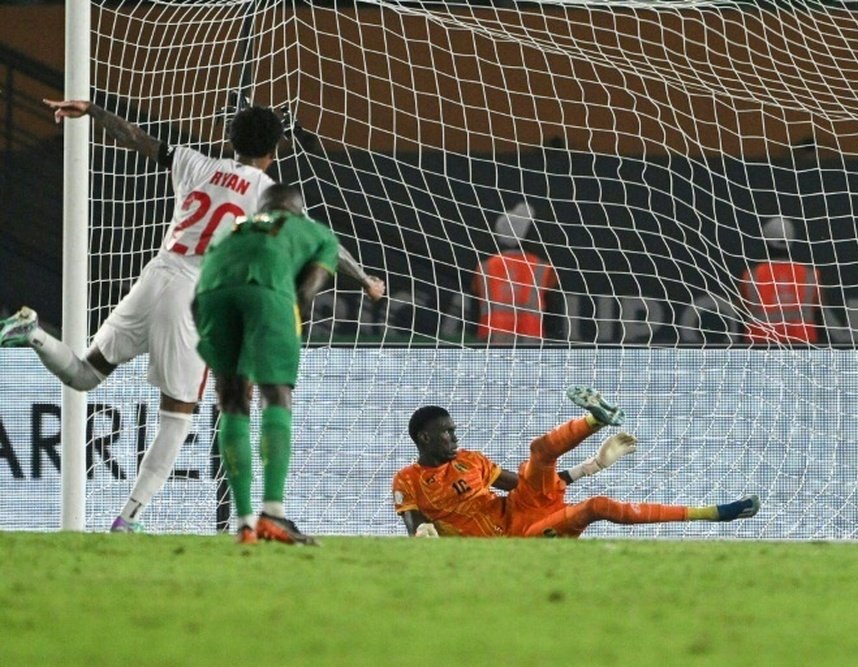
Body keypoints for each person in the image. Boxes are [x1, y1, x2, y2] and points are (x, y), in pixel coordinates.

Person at [0, 98, 287, 532]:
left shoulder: (194, 162)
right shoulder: (269, 193)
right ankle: (128, 519)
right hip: (192, 294)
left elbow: (136, 138)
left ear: (230, 141)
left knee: (84, 374)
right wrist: (367, 282)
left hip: (154, 277)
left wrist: (92, 111)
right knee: (178, 416)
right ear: (275, 151)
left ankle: (35, 332)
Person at [194, 183, 385, 545]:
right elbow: (306, 291)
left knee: (232, 402)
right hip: (268, 296)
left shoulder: (234, 228)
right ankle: (274, 515)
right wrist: (285, 318)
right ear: (297, 209)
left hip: (209, 298)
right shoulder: (312, 230)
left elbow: (201, 290)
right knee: (275, 395)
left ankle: (245, 523)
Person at [393, 386, 760, 538]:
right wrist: (427, 533)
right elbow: (416, 526)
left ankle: (594, 419)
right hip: (516, 539)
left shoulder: (469, 460)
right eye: (446, 433)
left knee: (538, 454)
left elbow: (528, 488)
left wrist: (592, 466)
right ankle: (712, 512)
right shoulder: (407, 479)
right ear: (424, 438)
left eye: (455, 431)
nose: (455, 438)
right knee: (598, 506)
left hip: (520, 510)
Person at [471, 200, 559, 344]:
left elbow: (475, 309)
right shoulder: (542, 267)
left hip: (492, 343)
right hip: (531, 344)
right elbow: (553, 312)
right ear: (527, 235)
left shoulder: (485, 267)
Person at [739, 216, 822, 345]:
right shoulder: (810, 275)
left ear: (766, 241)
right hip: (803, 350)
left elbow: (741, 316)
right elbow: (819, 318)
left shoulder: (751, 275)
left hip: (760, 350)